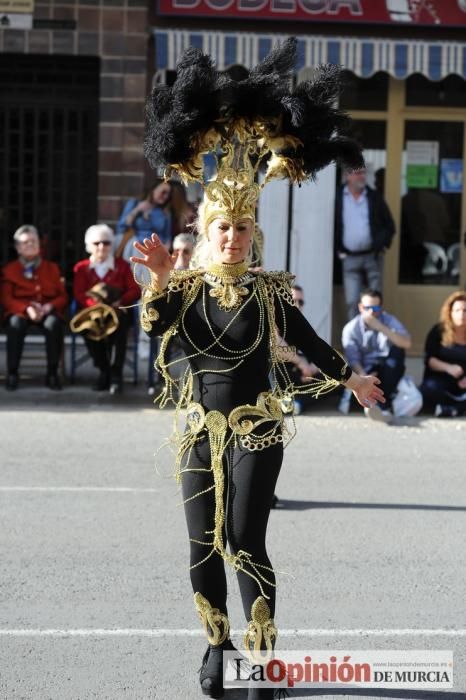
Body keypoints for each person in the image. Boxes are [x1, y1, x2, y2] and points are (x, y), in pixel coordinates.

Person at [131, 39, 384, 700]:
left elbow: (310, 339)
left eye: (243, 230)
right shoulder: (182, 288)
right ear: (207, 231)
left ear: (253, 235)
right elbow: (156, 331)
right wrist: (158, 279)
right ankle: (217, 649)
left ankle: (263, 661)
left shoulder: (269, 291)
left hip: (257, 426)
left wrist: (351, 377)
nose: (234, 239)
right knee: (202, 546)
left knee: (244, 540)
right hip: (194, 427)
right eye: (224, 230)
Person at [73, 224, 140, 392]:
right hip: (93, 312)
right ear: (89, 246)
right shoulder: (81, 268)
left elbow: (134, 290)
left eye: (106, 242)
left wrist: (121, 301)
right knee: (86, 328)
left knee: (120, 326)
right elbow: (79, 294)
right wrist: (97, 306)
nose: (102, 246)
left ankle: (116, 374)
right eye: (97, 243)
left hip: (118, 310)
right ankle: (104, 370)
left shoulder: (122, 266)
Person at [0, 225, 68, 390]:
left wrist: (49, 306)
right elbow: (6, 298)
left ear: (39, 244)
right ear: (17, 247)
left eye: (33, 241)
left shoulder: (52, 268)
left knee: (53, 325)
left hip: (46, 310)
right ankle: (12, 373)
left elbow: (63, 296)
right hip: (20, 311)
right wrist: (26, 308)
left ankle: (52, 373)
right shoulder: (9, 270)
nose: (30, 245)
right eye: (25, 242)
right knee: (15, 325)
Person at [341, 288, 411, 422]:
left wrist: (380, 327)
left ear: (381, 307)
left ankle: (380, 405)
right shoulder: (351, 328)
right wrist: (364, 377)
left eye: (376, 308)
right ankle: (382, 405)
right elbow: (353, 359)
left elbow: (406, 343)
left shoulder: (388, 320)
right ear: (361, 307)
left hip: (386, 368)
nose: (372, 312)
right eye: (368, 308)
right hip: (364, 369)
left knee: (398, 352)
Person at [334, 167, 396, 320]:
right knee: (352, 301)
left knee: (374, 301)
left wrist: (380, 245)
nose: (362, 176)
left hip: (372, 257)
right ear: (347, 175)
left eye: (363, 173)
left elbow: (390, 226)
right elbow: (331, 225)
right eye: (357, 172)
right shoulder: (338, 196)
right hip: (349, 257)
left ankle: (374, 336)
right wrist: (338, 249)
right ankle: (354, 340)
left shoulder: (374, 197)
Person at [420, 291, 466, 417]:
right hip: (441, 380)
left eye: (465, 310)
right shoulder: (438, 331)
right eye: (457, 310)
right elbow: (429, 360)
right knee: (428, 389)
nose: (461, 314)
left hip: (464, 384)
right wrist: (448, 368)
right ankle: (455, 407)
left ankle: (454, 409)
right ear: (450, 313)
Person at [115, 179, 172, 261]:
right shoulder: (135, 203)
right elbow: (121, 227)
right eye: (163, 192)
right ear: (153, 190)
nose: (166, 196)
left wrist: (164, 252)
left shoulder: (165, 212)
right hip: (136, 247)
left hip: (156, 251)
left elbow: (167, 237)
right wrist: (137, 210)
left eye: (168, 194)